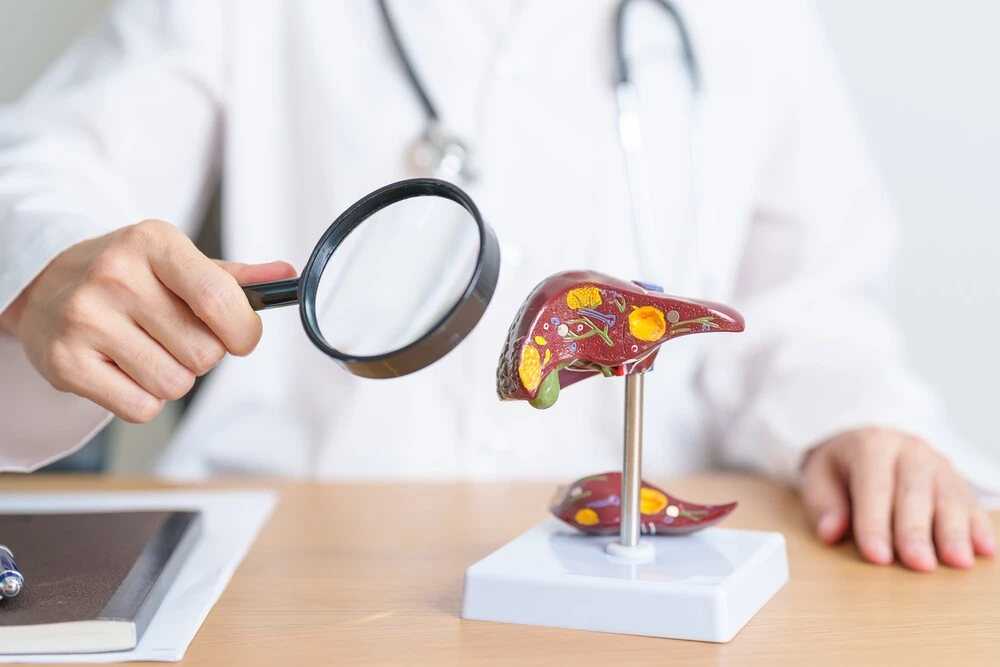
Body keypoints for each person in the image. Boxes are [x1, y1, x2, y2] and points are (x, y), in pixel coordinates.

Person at [0, 0, 997, 573]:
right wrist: (54, 256)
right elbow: (48, 162)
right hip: (285, 582)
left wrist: (854, 421)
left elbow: (804, 303)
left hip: (642, 591)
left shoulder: (748, 20)